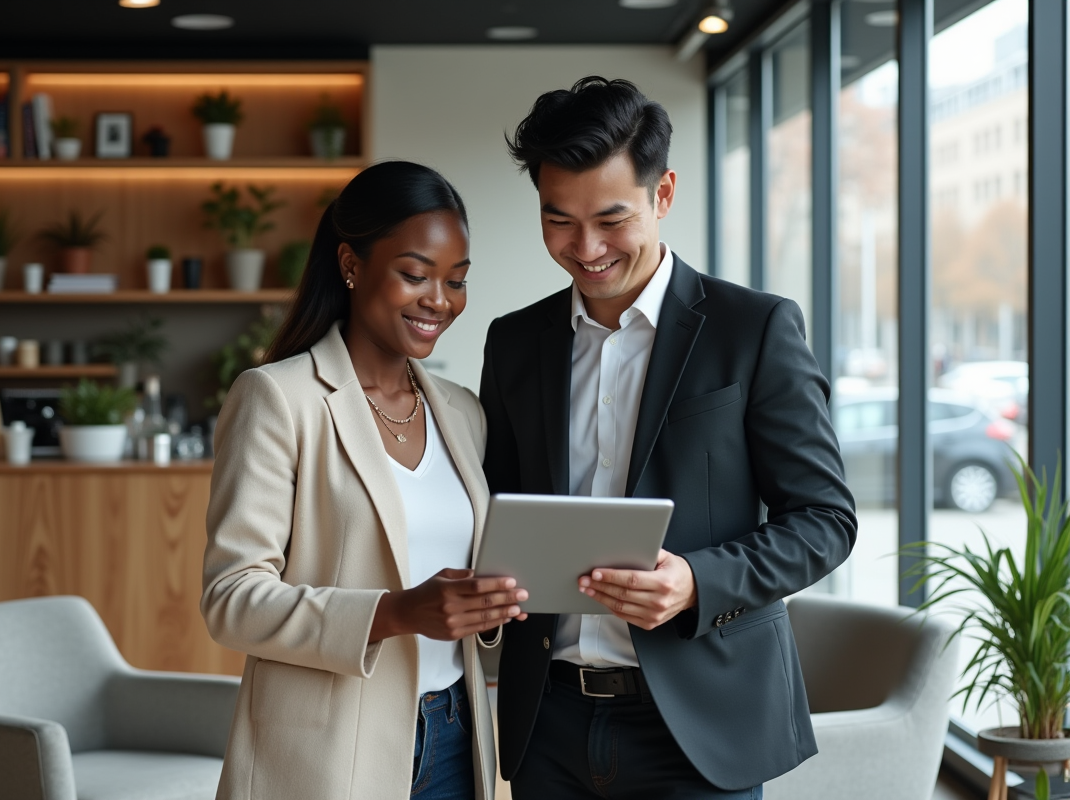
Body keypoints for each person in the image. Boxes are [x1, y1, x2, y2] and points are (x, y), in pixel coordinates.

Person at [481, 77, 858, 799]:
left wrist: (696, 583)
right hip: (547, 723)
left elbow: (826, 521)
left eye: (611, 219)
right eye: (558, 220)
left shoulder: (755, 329)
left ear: (665, 194)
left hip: (699, 726)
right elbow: (498, 506)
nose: (584, 248)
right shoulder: (514, 341)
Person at [202, 160, 527, 800]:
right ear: (351, 264)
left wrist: (492, 604)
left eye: (457, 281)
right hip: (327, 748)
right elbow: (231, 599)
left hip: (456, 733)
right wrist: (395, 611)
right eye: (415, 274)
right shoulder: (277, 398)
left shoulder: (463, 412)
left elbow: (458, 581)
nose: (440, 299)